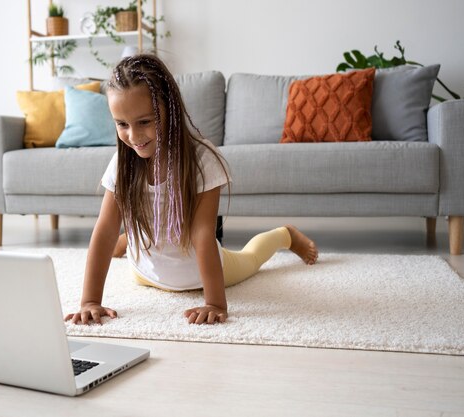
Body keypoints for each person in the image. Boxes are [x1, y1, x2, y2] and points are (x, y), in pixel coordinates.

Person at [64, 54, 318, 326]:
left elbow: (202, 233)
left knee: (251, 259)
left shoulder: (202, 160)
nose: (134, 137)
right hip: (143, 270)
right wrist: (90, 301)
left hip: (198, 270)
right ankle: (132, 239)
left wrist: (215, 303)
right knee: (119, 238)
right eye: (122, 124)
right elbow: (104, 229)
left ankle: (285, 235)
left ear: (169, 110)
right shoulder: (122, 164)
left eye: (145, 122)